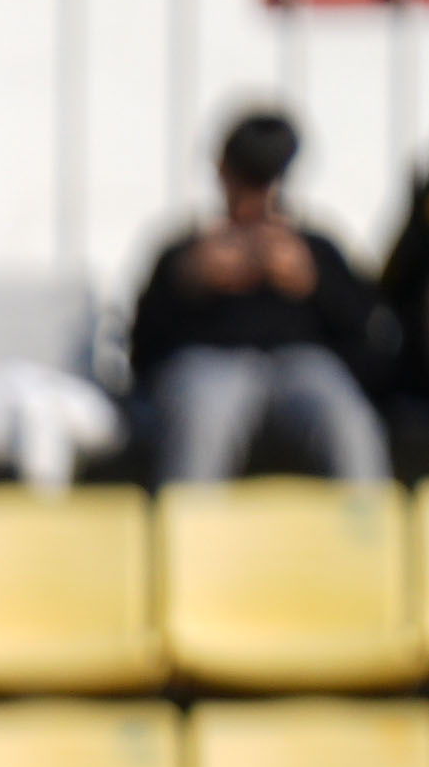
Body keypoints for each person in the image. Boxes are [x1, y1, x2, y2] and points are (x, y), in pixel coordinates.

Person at [136, 110, 404, 488]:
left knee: (347, 421)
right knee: (203, 416)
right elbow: (142, 351)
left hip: (302, 365)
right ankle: (187, 541)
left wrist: (314, 282)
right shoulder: (185, 253)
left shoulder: (315, 249)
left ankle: (368, 539)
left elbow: (368, 336)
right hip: (209, 362)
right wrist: (187, 280)